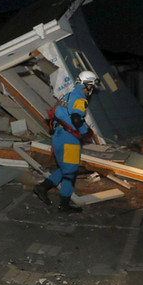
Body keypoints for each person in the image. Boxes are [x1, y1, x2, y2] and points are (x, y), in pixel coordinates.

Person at [33, 70, 97, 212]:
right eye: (91, 87)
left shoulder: (67, 96)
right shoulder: (80, 99)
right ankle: (65, 205)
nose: (91, 90)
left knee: (64, 168)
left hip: (58, 137)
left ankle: (42, 187)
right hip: (69, 139)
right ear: (87, 85)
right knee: (70, 172)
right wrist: (84, 133)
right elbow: (76, 118)